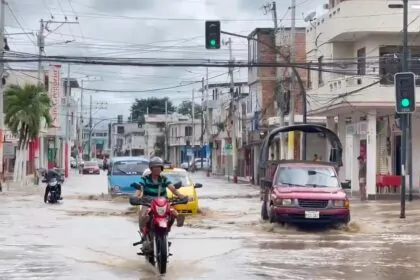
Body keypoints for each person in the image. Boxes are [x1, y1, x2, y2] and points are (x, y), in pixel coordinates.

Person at [131, 156, 187, 253]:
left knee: (172, 211)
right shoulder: (145, 179)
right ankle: (145, 235)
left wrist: (181, 196)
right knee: (143, 215)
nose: (157, 169)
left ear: (161, 169)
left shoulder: (164, 179)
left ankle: (176, 221)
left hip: (162, 202)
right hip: (148, 203)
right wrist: (136, 196)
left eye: (159, 167)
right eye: (155, 167)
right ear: (151, 168)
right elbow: (139, 188)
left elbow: (172, 188)